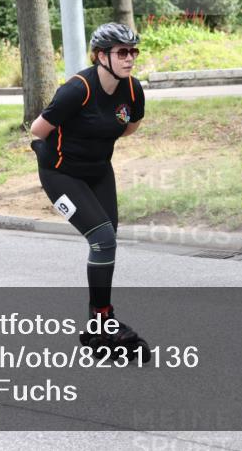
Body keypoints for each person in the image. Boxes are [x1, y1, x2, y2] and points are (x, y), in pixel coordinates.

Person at [30, 22, 148, 355]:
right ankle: (103, 320)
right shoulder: (77, 89)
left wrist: (95, 140)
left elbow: (130, 126)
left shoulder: (133, 90)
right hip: (61, 174)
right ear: (100, 56)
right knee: (102, 239)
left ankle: (98, 323)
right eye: (122, 52)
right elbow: (38, 130)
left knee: (107, 243)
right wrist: (49, 152)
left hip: (98, 172)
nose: (129, 58)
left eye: (133, 52)